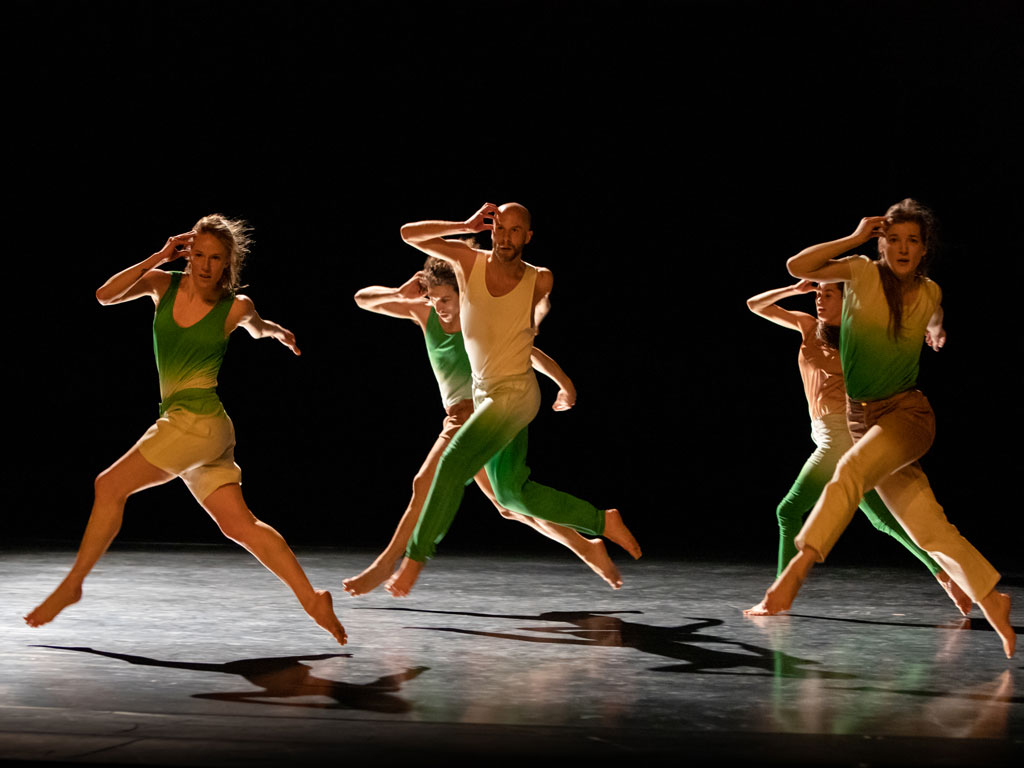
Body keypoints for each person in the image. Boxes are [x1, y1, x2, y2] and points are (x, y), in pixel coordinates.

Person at [24, 215, 347, 646]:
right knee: (240, 525)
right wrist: (159, 256)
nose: (205, 265)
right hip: (199, 428)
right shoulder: (162, 284)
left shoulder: (235, 307)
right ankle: (312, 599)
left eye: (216, 258)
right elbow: (104, 296)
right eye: (198, 254)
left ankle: (74, 583)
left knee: (109, 486)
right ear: (187, 252)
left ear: (229, 262)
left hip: (196, 423)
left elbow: (258, 327)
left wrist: (278, 333)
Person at [744, 199, 1014, 658]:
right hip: (861, 418)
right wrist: (854, 237)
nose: (903, 248)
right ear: (881, 243)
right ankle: (992, 596)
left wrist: (937, 330)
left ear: (924, 247)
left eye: (913, 241)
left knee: (847, 473)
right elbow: (797, 265)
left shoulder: (929, 290)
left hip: (907, 416)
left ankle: (791, 578)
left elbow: (935, 311)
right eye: (893, 239)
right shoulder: (859, 272)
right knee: (927, 529)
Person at [385, 202, 641, 596]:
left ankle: (414, 562)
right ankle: (602, 522)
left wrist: (564, 380)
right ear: (492, 231)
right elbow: (408, 233)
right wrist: (464, 224)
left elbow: (529, 331)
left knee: (452, 465)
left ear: (529, 237)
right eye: (500, 228)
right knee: (511, 495)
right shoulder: (468, 261)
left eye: (515, 230)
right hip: (487, 392)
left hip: (516, 394)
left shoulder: (541, 279)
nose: (505, 237)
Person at [747, 279, 970, 613]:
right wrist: (795, 290)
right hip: (833, 435)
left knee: (788, 511)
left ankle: (780, 596)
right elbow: (756, 305)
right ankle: (945, 576)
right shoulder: (808, 326)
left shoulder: (860, 337)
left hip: (840, 436)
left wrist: (932, 327)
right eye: (818, 294)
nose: (820, 300)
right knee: (883, 520)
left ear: (846, 300)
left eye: (828, 294)